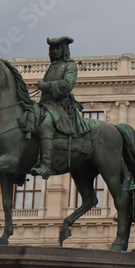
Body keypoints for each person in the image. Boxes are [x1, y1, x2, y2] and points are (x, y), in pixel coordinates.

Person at [32, 37, 88, 180]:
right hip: (44, 105)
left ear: (64, 51)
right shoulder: (52, 66)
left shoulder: (69, 66)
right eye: (53, 49)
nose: (55, 51)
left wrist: (46, 86)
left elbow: (67, 85)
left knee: (45, 126)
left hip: (59, 107)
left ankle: (45, 165)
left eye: (58, 49)